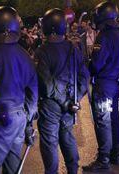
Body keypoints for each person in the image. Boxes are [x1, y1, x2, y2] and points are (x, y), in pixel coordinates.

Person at [0, 6, 38, 173]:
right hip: (21, 117)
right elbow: (33, 94)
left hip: (3, 117)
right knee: (12, 164)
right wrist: (29, 122)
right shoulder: (26, 55)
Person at [35, 9, 90, 174]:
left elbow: (45, 82)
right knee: (67, 137)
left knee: (50, 142)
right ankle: (73, 169)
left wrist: (65, 99)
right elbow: (84, 76)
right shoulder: (73, 49)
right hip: (69, 104)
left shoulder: (42, 51)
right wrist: (75, 97)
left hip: (50, 104)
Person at [83, 1, 119, 171]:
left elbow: (97, 63)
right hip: (116, 84)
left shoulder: (104, 36)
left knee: (103, 121)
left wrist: (87, 65)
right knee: (114, 119)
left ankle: (103, 160)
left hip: (104, 84)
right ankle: (115, 154)